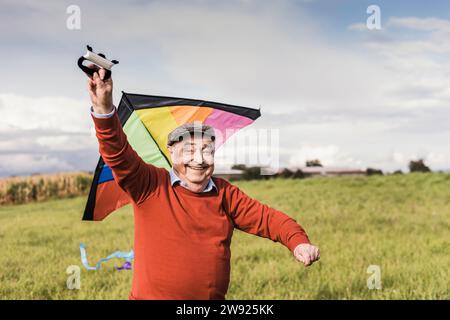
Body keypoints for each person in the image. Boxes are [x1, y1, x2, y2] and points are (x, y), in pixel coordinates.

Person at [87, 66, 320, 300]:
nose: (198, 159)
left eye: (206, 150)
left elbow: (268, 219)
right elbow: (117, 152)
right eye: (189, 150)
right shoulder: (149, 184)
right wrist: (104, 109)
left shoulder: (224, 193)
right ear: (172, 151)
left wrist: (298, 242)